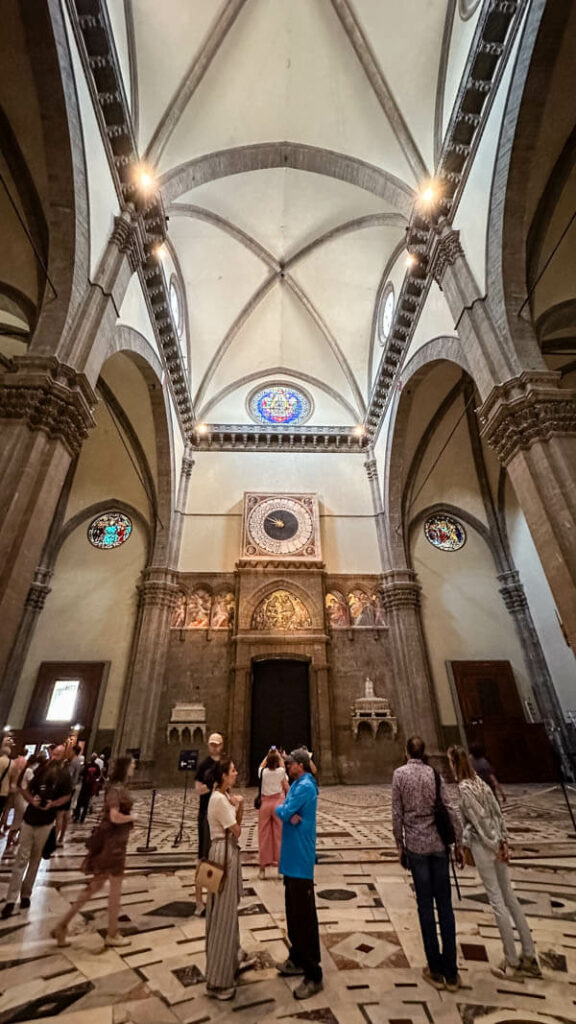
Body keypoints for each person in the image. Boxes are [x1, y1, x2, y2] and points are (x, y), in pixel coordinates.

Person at [448, 745, 541, 980]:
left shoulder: (465, 788)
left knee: (497, 901)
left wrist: (484, 845)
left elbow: (479, 821)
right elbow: (497, 814)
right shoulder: (481, 783)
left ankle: (510, 961)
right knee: (510, 898)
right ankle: (529, 955)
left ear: (453, 764)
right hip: (499, 845)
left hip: (485, 847)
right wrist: (503, 842)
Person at [392, 736, 463, 992]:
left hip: (416, 848)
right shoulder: (434, 774)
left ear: (406, 751)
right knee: (445, 906)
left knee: (425, 905)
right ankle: (452, 972)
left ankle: (434, 968)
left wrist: (399, 845)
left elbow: (396, 812)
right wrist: (458, 843)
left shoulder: (400, 775)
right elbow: (449, 808)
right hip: (439, 847)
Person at [50, 755, 135, 948]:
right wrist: (131, 817)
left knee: (93, 888)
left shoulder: (117, 788)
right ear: (125, 767)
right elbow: (114, 816)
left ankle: (62, 925)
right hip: (112, 847)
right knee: (114, 891)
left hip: (114, 844)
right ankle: (112, 933)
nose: (134, 768)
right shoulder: (116, 789)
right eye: (132, 765)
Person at [1, 744, 72, 918]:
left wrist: (53, 804)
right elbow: (25, 787)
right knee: (21, 858)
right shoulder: (40, 770)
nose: (54, 757)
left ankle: (26, 894)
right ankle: (11, 899)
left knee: (35, 859)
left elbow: (67, 795)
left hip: (46, 822)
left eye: (58, 755)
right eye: (53, 753)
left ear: (63, 756)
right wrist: (31, 800)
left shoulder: (64, 775)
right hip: (29, 819)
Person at [275, 748, 323, 1000]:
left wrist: (284, 811)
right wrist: (285, 811)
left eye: (290, 763)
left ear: (300, 765)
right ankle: (296, 957)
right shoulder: (297, 784)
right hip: (290, 858)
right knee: (293, 912)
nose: (287, 765)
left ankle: (314, 973)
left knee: (304, 917)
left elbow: (282, 811)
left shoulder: (305, 786)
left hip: (300, 859)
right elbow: (285, 811)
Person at [204, 755, 245, 1000]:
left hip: (224, 853)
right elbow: (237, 831)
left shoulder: (221, 798)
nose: (236, 773)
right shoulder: (219, 800)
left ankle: (232, 956)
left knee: (226, 911)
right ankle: (218, 980)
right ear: (222, 776)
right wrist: (238, 807)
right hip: (222, 856)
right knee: (222, 914)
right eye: (232, 770)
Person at [195, 732, 223, 915]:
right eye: (211, 744)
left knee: (215, 857)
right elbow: (198, 789)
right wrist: (211, 787)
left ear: (222, 745)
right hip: (206, 814)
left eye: (217, 744)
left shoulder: (223, 765)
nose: (214, 747)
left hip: (219, 815)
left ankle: (212, 897)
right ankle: (199, 902)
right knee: (203, 858)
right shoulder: (204, 766)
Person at [257, 748, 288, 878]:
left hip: (265, 804)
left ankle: (262, 869)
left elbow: (261, 765)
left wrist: (268, 753)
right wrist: (280, 756)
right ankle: (280, 868)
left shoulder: (263, 772)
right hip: (278, 804)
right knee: (279, 835)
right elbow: (282, 769)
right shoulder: (281, 772)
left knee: (263, 835)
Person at [74, 754, 101, 823]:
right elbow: (98, 774)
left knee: (80, 802)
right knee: (86, 803)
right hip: (90, 786)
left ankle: (77, 816)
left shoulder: (87, 765)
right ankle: (82, 817)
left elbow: (82, 773)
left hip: (85, 786)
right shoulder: (96, 766)